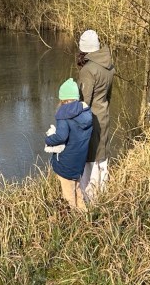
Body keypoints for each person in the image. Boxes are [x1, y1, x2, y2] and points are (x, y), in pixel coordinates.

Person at [44, 78, 93, 212]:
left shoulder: (64, 115)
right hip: (79, 162)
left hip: (66, 162)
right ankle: (85, 217)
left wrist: (48, 139)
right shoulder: (87, 113)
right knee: (77, 190)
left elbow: (61, 136)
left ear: (63, 99)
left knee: (68, 196)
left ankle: (74, 224)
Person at [76, 29, 115, 199]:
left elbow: (83, 103)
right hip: (104, 115)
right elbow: (108, 96)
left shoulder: (88, 70)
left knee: (89, 158)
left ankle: (89, 198)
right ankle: (104, 193)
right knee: (102, 155)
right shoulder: (109, 66)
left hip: (90, 120)